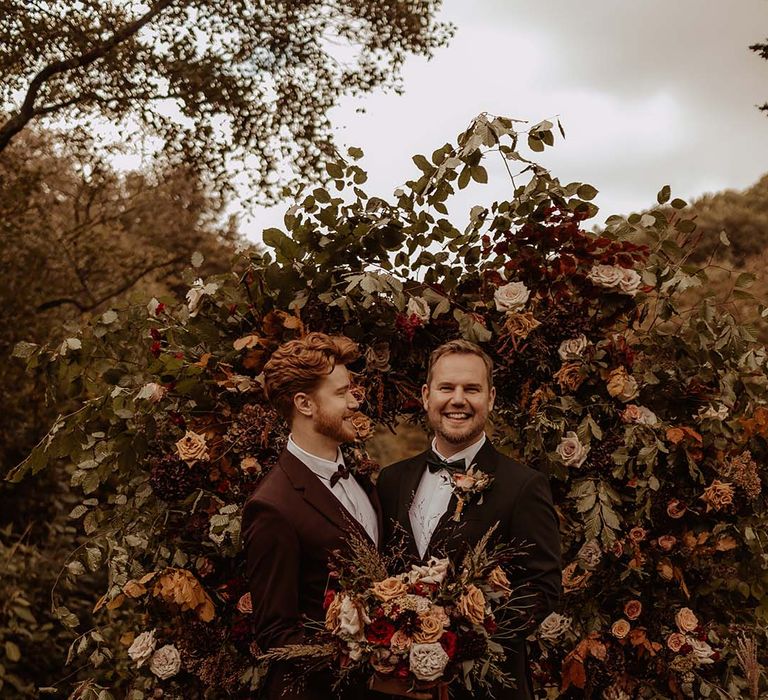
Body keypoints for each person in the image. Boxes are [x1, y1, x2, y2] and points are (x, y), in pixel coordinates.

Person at [377, 339, 561, 700]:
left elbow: (544, 588)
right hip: (398, 688)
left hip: (486, 688)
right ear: (427, 395)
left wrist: (463, 644)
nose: (458, 399)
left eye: (471, 389)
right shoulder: (391, 480)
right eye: (447, 387)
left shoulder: (523, 486)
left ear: (490, 398)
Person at [242, 332, 381, 700]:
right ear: (304, 404)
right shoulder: (272, 506)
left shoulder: (363, 480)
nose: (355, 401)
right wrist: (373, 663)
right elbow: (277, 634)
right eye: (340, 393)